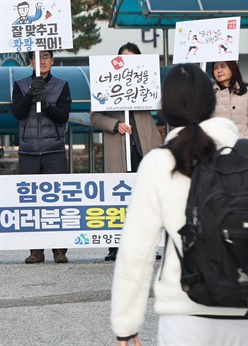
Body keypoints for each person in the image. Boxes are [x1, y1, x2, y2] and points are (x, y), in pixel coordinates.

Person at [110, 63, 248, 346]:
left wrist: (126, 325)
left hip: (185, 313)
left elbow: (136, 252)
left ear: (167, 108)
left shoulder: (159, 161)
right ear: (211, 103)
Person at [90, 42, 163, 262]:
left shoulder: (146, 81)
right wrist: (115, 124)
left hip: (144, 148)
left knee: (146, 199)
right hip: (118, 150)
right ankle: (115, 246)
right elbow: (95, 117)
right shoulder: (106, 82)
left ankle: (148, 245)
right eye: (124, 58)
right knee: (117, 197)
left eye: (132, 59)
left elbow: (161, 109)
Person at [11, 50, 71, 264]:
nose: (42, 61)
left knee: (57, 199)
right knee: (31, 202)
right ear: (30, 61)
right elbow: (17, 112)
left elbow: (63, 116)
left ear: (52, 60)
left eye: (46, 57)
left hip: (53, 149)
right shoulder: (19, 84)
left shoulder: (62, 84)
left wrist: (45, 104)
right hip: (28, 151)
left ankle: (59, 250)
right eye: (38, 57)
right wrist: (29, 94)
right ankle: (36, 250)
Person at [211, 61, 248, 140]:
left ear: (232, 68)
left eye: (223, 66)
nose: (219, 70)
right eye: (215, 68)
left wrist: (246, 141)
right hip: (218, 146)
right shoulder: (209, 94)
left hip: (243, 146)